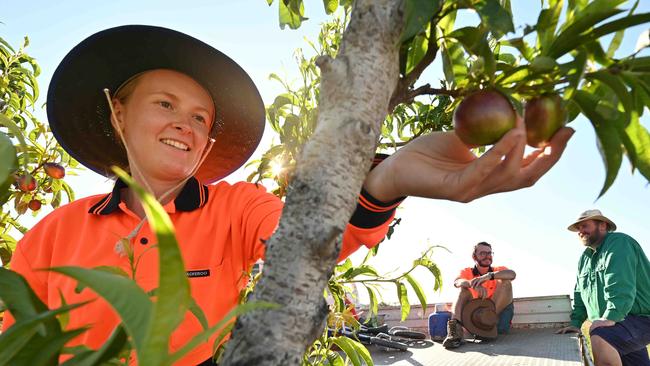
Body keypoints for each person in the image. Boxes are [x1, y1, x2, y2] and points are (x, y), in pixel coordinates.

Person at [0, 25, 573, 365]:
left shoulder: (235, 207)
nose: (187, 124)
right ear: (117, 113)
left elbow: (306, 236)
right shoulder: (53, 234)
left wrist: (387, 181)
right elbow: (14, 338)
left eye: (201, 117)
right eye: (166, 104)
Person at [556, 210, 650, 366]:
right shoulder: (584, 258)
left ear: (602, 225)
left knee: (601, 337)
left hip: (640, 318)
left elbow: (620, 283)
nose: (580, 231)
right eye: (578, 228)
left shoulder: (619, 243)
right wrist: (576, 322)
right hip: (619, 324)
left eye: (585, 226)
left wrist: (611, 317)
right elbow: (580, 293)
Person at [442, 241, 516, 349]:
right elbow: (457, 282)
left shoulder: (498, 270)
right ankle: (455, 334)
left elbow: (512, 274)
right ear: (474, 256)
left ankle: (487, 321)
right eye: (483, 253)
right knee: (463, 290)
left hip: (496, 322)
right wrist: (472, 284)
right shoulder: (467, 271)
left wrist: (487, 276)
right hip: (474, 323)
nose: (487, 256)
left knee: (506, 283)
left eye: (490, 253)